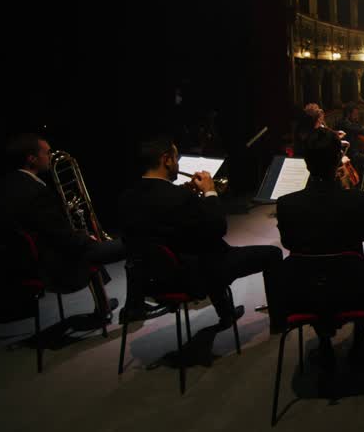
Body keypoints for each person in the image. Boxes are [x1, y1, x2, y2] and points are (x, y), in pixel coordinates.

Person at [118, 135, 282, 328]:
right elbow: (219, 228)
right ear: (166, 160)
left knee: (200, 245)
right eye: (176, 158)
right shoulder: (180, 196)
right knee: (273, 254)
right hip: (195, 276)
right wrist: (210, 193)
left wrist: (194, 201)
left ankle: (227, 314)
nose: (178, 164)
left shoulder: (126, 198)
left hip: (153, 281)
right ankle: (280, 320)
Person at [273, 127, 364, 373]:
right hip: (351, 288)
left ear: (306, 162)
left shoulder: (286, 204)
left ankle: (323, 339)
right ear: (337, 159)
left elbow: (289, 243)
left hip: (304, 294)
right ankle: (359, 332)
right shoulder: (359, 199)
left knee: (313, 270)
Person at [0, 133, 126, 320]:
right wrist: (85, 238)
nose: (50, 157)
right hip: (53, 266)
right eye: (47, 153)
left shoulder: (1, 187)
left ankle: (103, 304)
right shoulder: (35, 192)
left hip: (16, 265)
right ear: (32, 158)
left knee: (87, 242)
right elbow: (60, 237)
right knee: (130, 244)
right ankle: (134, 306)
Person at [334, 101, 364, 179]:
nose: (356, 116)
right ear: (348, 114)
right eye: (355, 114)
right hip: (350, 154)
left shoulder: (352, 122)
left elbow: (358, 127)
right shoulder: (342, 123)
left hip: (356, 151)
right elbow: (354, 128)